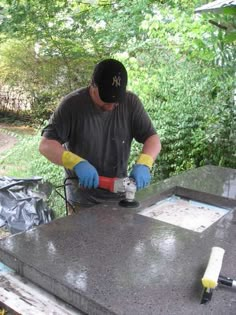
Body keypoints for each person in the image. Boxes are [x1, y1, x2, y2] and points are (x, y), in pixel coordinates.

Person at [39, 59, 161, 212]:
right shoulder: (72, 105)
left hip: (119, 196)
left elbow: (153, 139)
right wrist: (77, 163)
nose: (110, 107)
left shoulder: (131, 103)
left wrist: (145, 162)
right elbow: (46, 145)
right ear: (93, 86)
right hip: (81, 200)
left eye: (116, 102)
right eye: (105, 100)